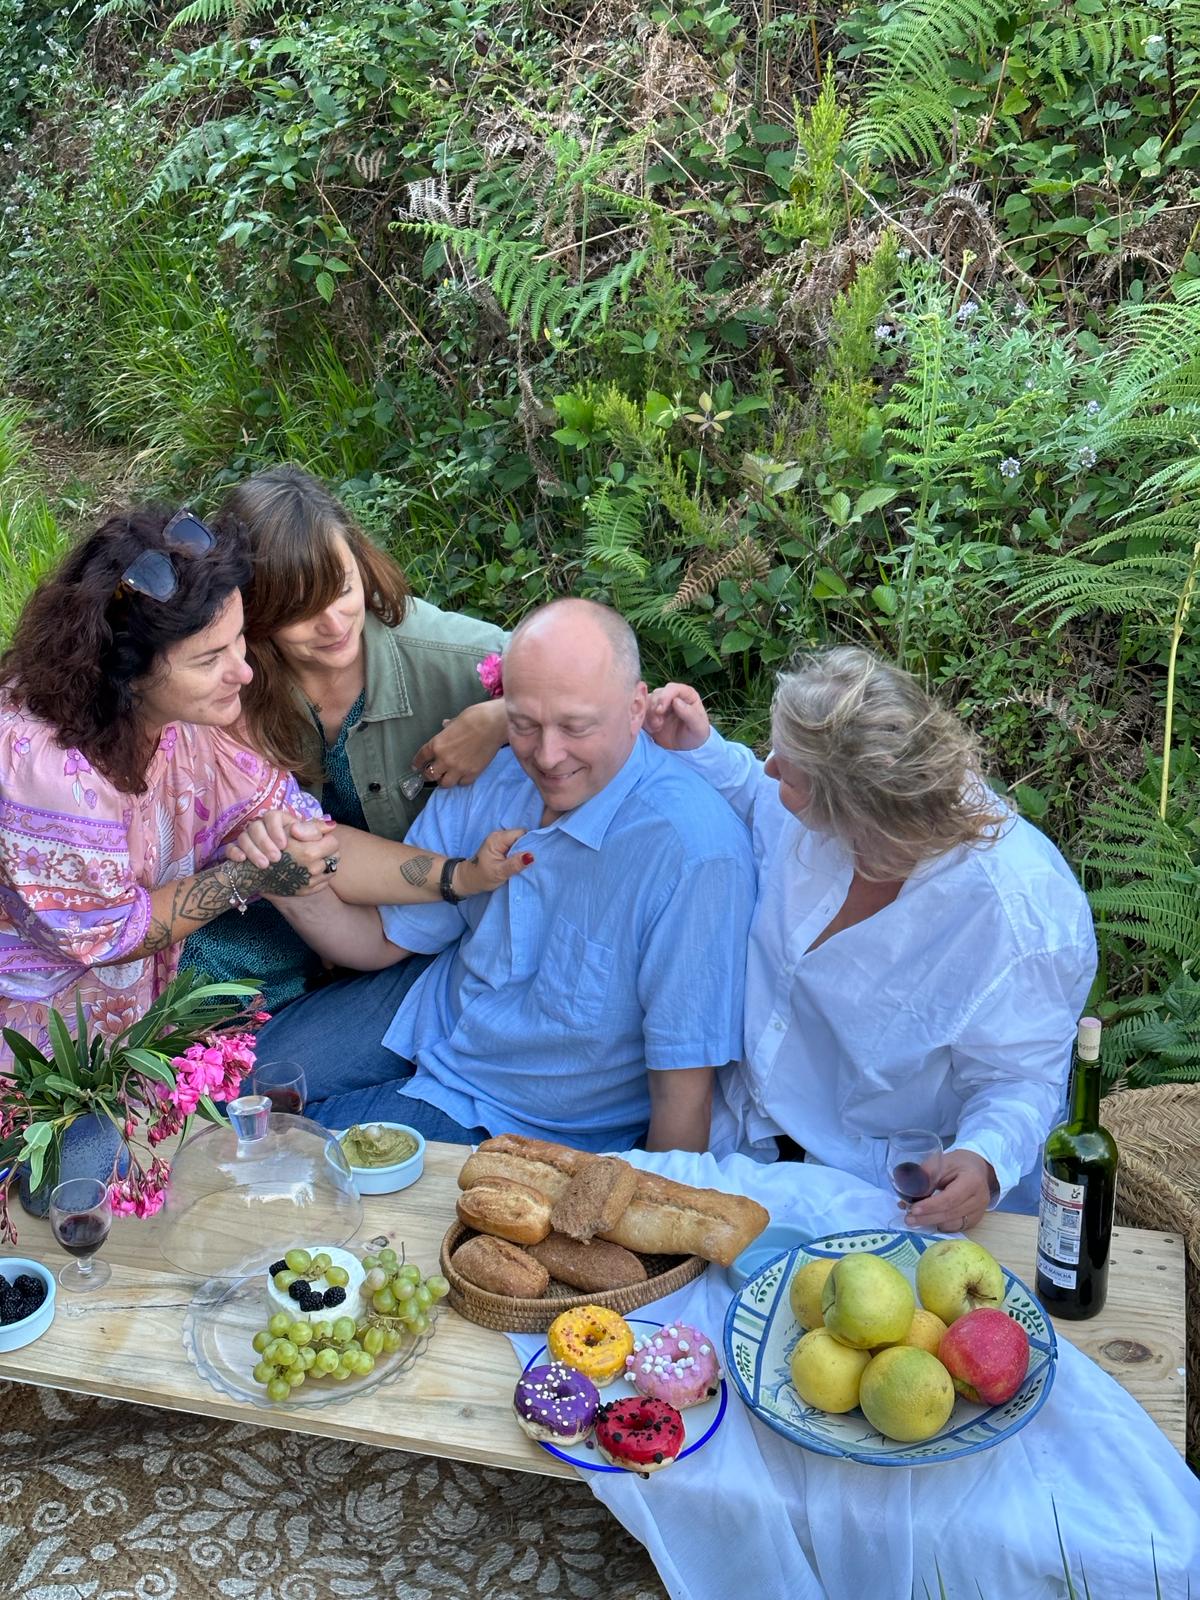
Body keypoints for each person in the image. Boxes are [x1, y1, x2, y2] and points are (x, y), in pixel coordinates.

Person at [0, 507, 521, 1065]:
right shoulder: (42, 766)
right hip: (48, 1054)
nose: (243, 673)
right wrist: (247, 875)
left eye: (239, 641)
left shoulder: (202, 721)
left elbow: (314, 837)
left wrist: (459, 876)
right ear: (124, 671)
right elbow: (106, 936)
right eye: (209, 659)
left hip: (149, 1015)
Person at [240, 599, 758, 1152]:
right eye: (524, 724)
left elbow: (684, 1097)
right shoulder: (498, 770)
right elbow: (384, 939)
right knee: (229, 1097)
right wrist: (291, 889)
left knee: (287, 1157)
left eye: (575, 727)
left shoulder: (693, 856)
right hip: (430, 1009)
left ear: (636, 707)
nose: (548, 755)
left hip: (520, 1114)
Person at [645, 646, 1097, 1230]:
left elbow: (1021, 1079)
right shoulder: (814, 803)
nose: (771, 768)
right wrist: (703, 749)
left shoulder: (1019, 915)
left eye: (790, 767)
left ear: (861, 813)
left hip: (877, 1189)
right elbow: (761, 796)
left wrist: (983, 1160)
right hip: (745, 1143)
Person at [182, 465, 510, 1012]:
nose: (333, 624)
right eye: (299, 611)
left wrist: (504, 714)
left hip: (392, 939)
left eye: (342, 589)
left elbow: (601, 686)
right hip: (256, 926)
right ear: (250, 609)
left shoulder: (447, 655)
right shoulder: (229, 682)